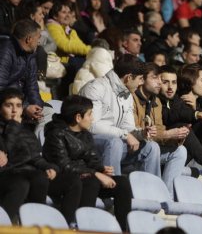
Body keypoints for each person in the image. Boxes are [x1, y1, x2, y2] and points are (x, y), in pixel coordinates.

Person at [43, 95, 132, 229]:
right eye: (90, 114)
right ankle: (85, 227)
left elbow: (92, 158)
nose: (92, 118)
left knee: (122, 183)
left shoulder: (85, 134)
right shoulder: (55, 134)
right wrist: (95, 174)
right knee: (91, 181)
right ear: (78, 117)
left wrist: (101, 169)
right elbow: (63, 166)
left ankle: (124, 229)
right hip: (67, 181)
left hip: (87, 178)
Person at [79, 56, 160, 177]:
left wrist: (141, 133)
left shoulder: (127, 94)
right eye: (140, 79)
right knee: (114, 142)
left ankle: (152, 192)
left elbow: (127, 127)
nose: (141, 83)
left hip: (116, 144)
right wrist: (125, 135)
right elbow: (91, 126)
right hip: (87, 144)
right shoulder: (95, 88)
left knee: (151, 147)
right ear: (128, 77)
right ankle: (114, 189)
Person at [0, 88, 57, 221]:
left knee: (41, 177)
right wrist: (14, 125)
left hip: (22, 173)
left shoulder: (25, 131)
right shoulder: (11, 127)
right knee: (21, 183)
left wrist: (48, 167)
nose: (14, 110)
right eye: (9, 105)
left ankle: (36, 224)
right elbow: (8, 153)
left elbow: (34, 156)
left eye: (18, 106)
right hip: (7, 174)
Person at [131, 63, 187, 197]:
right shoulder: (131, 98)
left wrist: (176, 138)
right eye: (155, 78)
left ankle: (166, 196)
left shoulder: (156, 101)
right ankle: (153, 194)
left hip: (151, 147)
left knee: (180, 151)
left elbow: (159, 130)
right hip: (133, 149)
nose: (159, 83)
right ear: (142, 80)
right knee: (152, 147)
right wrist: (167, 134)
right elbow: (133, 131)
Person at [0, 19, 44, 121]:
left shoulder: (30, 54)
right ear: (29, 39)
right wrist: (24, 107)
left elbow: (32, 86)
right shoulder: (5, 53)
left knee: (49, 114)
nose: (39, 42)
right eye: (38, 38)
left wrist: (37, 108)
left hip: (23, 102)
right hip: (9, 106)